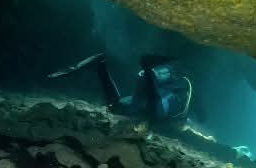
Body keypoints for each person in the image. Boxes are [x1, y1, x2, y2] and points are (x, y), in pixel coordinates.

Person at [48, 53, 192, 124]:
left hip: (148, 99)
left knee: (115, 106)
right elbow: (170, 111)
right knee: (143, 110)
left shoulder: (181, 84)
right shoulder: (183, 84)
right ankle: (146, 71)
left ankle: (101, 65)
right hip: (152, 104)